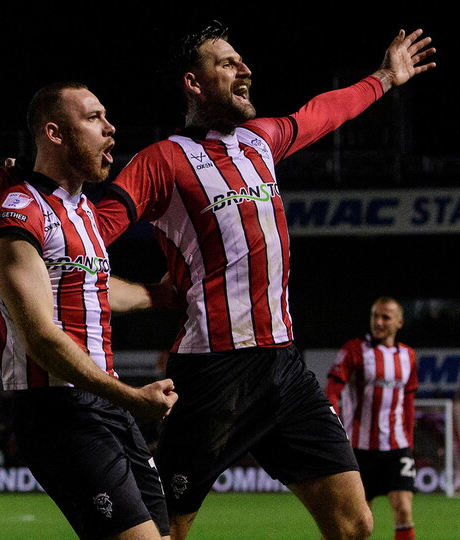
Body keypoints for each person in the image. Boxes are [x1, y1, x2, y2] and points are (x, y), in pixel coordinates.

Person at [94, 21, 435, 540]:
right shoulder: (161, 161)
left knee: (355, 525)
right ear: (193, 83)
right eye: (227, 63)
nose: (245, 69)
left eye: (242, 61)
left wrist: (385, 78)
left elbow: (324, 112)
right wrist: (144, 293)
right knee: (166, 533)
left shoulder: (260, 140)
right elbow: (89, 236)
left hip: (283, 367)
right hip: (212, 374)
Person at [0, 81, 179, 540]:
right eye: (93, 118)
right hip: (58, 410)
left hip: (103, 403)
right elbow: (41, 339)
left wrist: (160, 295)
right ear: (54, 133)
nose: (110, 128)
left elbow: (94, 289)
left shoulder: (82, 209)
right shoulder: (17, 214)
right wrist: (131, 397)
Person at [326, 297, 419, 540]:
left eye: (385, 317)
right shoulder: (354, 350)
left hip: (396, 448)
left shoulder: (408, 356)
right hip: (358, 450)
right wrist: (333, 429)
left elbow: (408, 402)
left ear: (399, 322)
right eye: (374, 316)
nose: (378, 322)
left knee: (403, 508)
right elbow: (332, 391)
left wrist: (409, 441)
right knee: (357, 524)